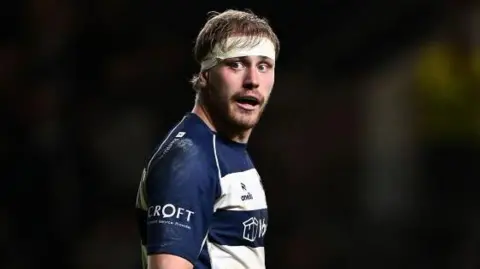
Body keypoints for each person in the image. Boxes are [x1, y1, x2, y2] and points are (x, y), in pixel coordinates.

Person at [135, 9, 280, 269]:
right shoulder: (190, 159)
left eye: (263, 66)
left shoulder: (224, 148)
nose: (252, 80)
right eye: (235, 64)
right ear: (205, 75)